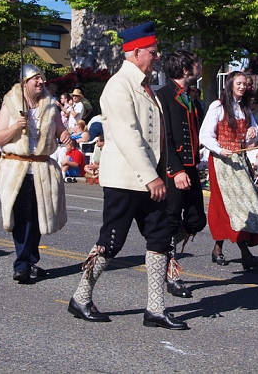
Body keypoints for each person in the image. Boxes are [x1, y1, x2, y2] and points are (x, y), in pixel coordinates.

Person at [69, 21, 188, 330]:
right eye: (152, 51)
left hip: (150, 179)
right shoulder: (119, 86)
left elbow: (157, 136)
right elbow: (127, 135)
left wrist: (164, 172)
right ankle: (81, 297)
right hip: (125, 180)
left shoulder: (145, 84)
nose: (157, 56)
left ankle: (156, 309)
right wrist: (152, 177)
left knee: (160, 238)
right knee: (111, 241)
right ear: (136, 53)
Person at [0, 63, 71, 284]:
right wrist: (16, 127)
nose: (40, 82)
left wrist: (65, 135)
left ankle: (30, 260)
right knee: (22, 218)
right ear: (25, 83)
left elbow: (60, 130)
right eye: (35, 79)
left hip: (41, 168)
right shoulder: (11, 104)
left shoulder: (50, 106)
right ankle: (22, 265)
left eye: (42, 79)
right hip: (17, 168)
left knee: (38, 218)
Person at [199, 70, 258, 270]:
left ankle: (219, 249)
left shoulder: (244, 109)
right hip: (221, 162)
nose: (242, 87)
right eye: (239, 83)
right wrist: (219, 149)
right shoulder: (218, 106)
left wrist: (252, 133)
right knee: (229, 205)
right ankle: (244, 253)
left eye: (245, 84)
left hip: (239, 161)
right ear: (231, 84)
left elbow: (252, 137)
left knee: (244, 205)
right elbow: (205, 136)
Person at [154, 50, 206, 300]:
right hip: (174, 170)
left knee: (196, 220)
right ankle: (171, 273)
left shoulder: (190, 96)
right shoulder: (163, 95)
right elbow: (165, 137)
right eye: (196, 64)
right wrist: (175, 170)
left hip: (192, 166)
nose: (200, 67)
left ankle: (167, 249)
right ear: (186, 69)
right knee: (171, 219)